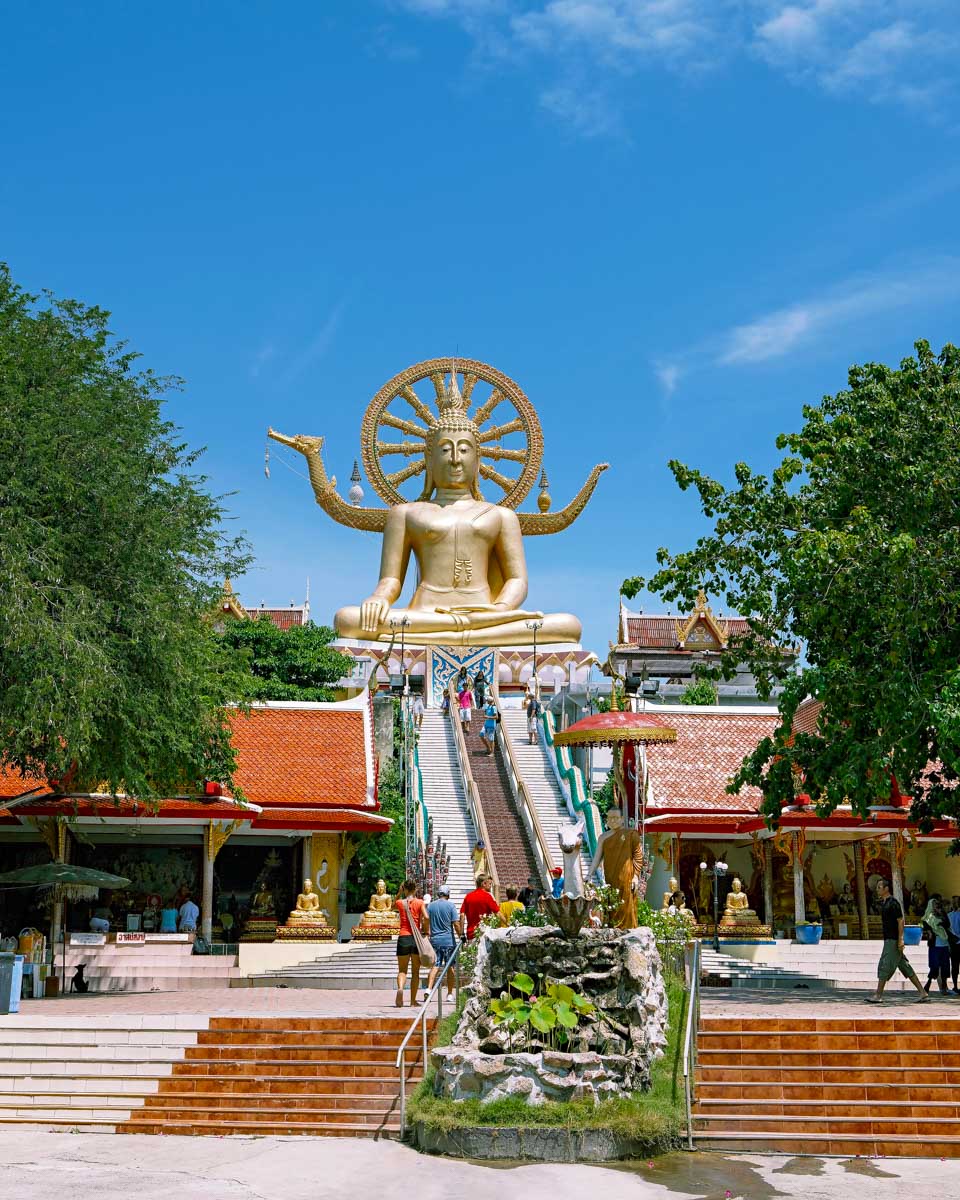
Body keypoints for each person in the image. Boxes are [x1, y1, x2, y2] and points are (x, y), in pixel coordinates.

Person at [867, 877, 929, 1004]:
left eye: (879, 887)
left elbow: (900, 921)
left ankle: (878, 995)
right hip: (889, 939)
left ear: (886, 888)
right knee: (905, 966)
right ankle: (923, 992)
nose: (877, 889)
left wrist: (900, 939)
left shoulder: (893, 903)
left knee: (884, 965)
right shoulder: (884, 903)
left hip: (893, 940)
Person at [395, 879, 427, 1008]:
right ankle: (413, 1001)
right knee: (415, 972)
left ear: (404, 889)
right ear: (415, 890)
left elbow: (390, 906)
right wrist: (426, 930)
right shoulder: (420, 902)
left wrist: (399, 893)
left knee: (402, 970)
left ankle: (401, 988)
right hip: (415, 939)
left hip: (403, 937)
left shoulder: (400, 903)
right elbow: (427, 917)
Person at [426, 884, 461, 1000]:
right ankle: (450, 994)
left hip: (435, 941)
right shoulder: (451, 906)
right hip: (448, 941)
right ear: (448, 894)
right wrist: (461, 935)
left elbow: (425, 921)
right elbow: (456, 924)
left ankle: (429, 989)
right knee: (450, 967)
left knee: (435, 966)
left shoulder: (430, 906)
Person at [921, 896, 953, 994]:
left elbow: (947, 924)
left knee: (945, 966)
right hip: (934, 945)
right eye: (934, 904)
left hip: (944, 943)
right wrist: (930, 931)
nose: (936, 906)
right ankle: (928, 983)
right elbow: (926, 927)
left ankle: (944, 987)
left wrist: (940, 916)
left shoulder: (942, 914)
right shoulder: (927, 917)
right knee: (934, 966)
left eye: (937, 904)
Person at [950, 898, 960, 994]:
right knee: (954, 966)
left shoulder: (949, 915)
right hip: (954, 944)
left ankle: (955, 986)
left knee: (954, 966)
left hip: (954, 943)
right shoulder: (949, 915)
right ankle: (955, 986)